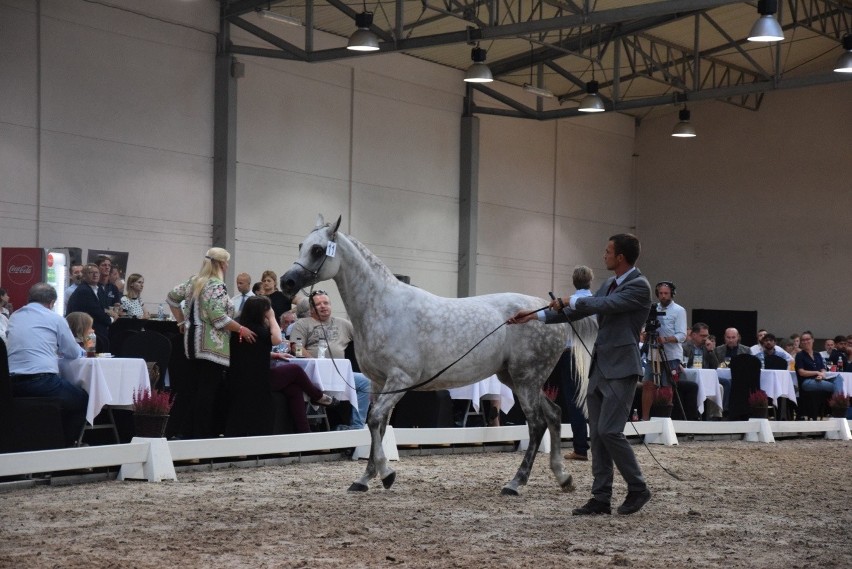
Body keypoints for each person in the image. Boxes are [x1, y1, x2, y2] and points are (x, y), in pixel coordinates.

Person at [509, 233, 652, 516]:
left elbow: (604, 306)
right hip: (600, 366)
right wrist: (535, 316)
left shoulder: (639, 286)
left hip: (622, 367)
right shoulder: (609, 283)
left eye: (608, 250)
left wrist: (570, 299)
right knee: (596, 435)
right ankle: (601, 497)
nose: (604, 255)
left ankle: (638, 487)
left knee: (610, 431)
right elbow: (578, 313)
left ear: (620, 256)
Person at [166, 247, 257, 439]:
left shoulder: (194, 281)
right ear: (222, 264)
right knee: (206, 393)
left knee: (189, 390)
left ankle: (179, 432)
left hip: (191, 344)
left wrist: (181, 321)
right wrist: (241, 329)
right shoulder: (217, 285)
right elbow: (218, 318)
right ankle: (200, 436)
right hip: (212, 346)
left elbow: (172, 298)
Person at [6, 283, 89, 447]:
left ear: (28, 299)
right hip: (42, 382)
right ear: (52, 302)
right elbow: (72, 351)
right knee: (83, 399)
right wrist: (82, 352)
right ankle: (67, 445)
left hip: (12, 384)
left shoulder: (15, 316)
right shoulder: (55, 318)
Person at [290, 290, 371, 430]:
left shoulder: (343, 324)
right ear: (311, 308)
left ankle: (356, 428)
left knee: (366, 382)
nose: (323, 306)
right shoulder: (303, 324)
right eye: (318, 304)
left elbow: (365, 339)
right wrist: (314, 361)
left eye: (326, 303)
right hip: (313, 376)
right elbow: (296, 348)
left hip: (339, 375)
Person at [557, 265, 596, 461]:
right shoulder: (597, 301)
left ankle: (580, 448)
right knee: (595, 401)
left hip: (571, 354)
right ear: (591, 281)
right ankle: (599, 447)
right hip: (594, 354)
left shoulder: (567, 303)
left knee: (575, 402)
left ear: (574, 281)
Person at [640, 281, 686, 421]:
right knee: (648, 384)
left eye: (666, 293)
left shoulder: (679, 310)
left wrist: (666, 339)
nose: (663, 296)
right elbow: (646, 328)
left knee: (667, 385)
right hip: (653, 352)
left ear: (672, 294)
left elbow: (682, 335)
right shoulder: (652, 308)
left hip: (670, 354)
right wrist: (645, 333)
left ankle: (665, 418)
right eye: (660, 293)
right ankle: (645, 418)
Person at [67, 263, 119, 353]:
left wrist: (109, 312)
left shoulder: (99, 289)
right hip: (86, 332)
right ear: (84, 276)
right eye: (91, 272)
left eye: (97, 272)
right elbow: (95, 311)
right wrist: (111, 319)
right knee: (91, 356)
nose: (95, 275)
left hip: (96, 331)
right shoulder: (84, 291)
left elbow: (104, 307)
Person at [796, 331, 844, 397]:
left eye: (807, 339)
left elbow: (822, 369)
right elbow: (801, 372)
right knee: (835, 387)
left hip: (820, 379)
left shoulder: (817, 354)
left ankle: (837, 404)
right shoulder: (800, 355)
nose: (805, 342)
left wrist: (821, 375)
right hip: (807, 381)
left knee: (839, 378)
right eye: (803, 340)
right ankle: (839, 405)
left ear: (812, 340)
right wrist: (817, 373)